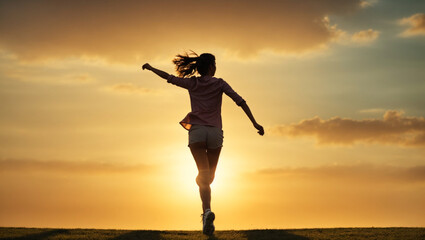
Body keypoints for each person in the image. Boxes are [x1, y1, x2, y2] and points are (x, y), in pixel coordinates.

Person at [142, 52, 264, 236]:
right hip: (215, 132)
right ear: (211, 67)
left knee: (203, 177)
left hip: (197, 132)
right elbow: (240, 101)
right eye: (215, 64)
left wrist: (151, 68)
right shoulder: (220, 83)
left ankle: (207, 211)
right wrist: (254, 123)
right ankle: (206, 210)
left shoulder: (193, 83)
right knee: (209, 177)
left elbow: (169, 78)